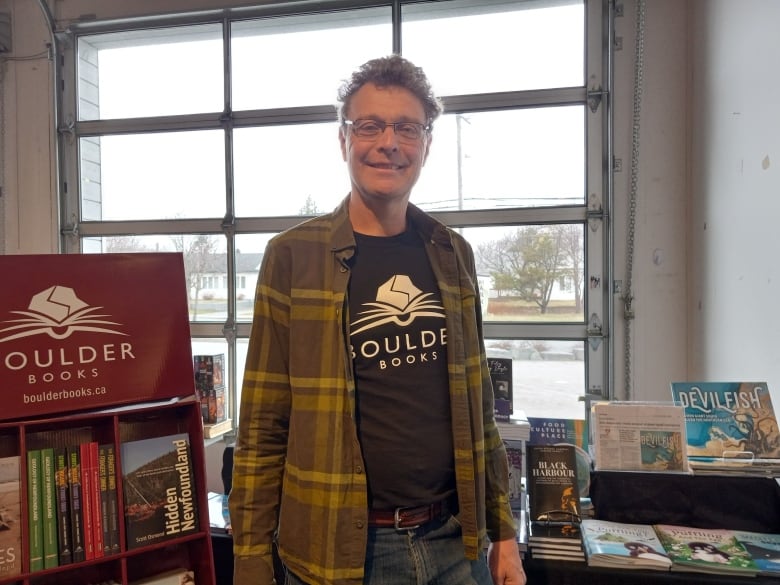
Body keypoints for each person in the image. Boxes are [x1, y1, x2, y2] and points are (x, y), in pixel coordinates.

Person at [230, 54, 526, 585]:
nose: (389, 142)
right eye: (370, 126)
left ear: (426, 144)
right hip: (337, 554)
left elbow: (479, 408)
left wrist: (503, 534)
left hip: (454, 545)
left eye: (407, 128)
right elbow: (261, 427)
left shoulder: (452, 252)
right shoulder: (292, 257)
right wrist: (250, 560)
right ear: (344, 140)